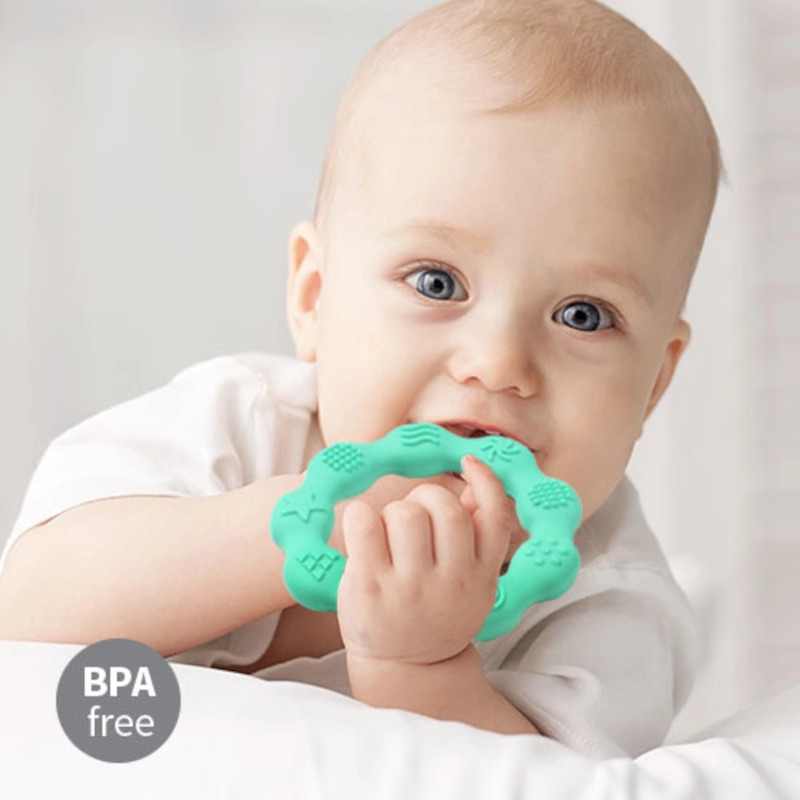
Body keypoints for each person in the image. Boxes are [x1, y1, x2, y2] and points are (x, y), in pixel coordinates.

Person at [0, 0, 723, 757]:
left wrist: (419, 666)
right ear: (315, 298)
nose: (498, 363)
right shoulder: (232, 424)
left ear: (652, 385)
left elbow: (546, 783)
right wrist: (314, 520)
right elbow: (30, 615)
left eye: (582, 315)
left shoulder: (608, 600)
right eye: (437, 283)